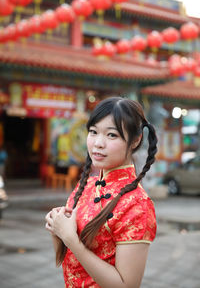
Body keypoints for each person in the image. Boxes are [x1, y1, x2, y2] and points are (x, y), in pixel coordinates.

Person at [45, 97, 157, 288]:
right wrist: (57, 227)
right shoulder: (86, 185)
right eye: (93, 132)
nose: (98, 143)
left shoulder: (137, 205)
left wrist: (72, 240)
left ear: (135, 140)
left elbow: (127, 285)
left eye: (111, 135)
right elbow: (65, 261)